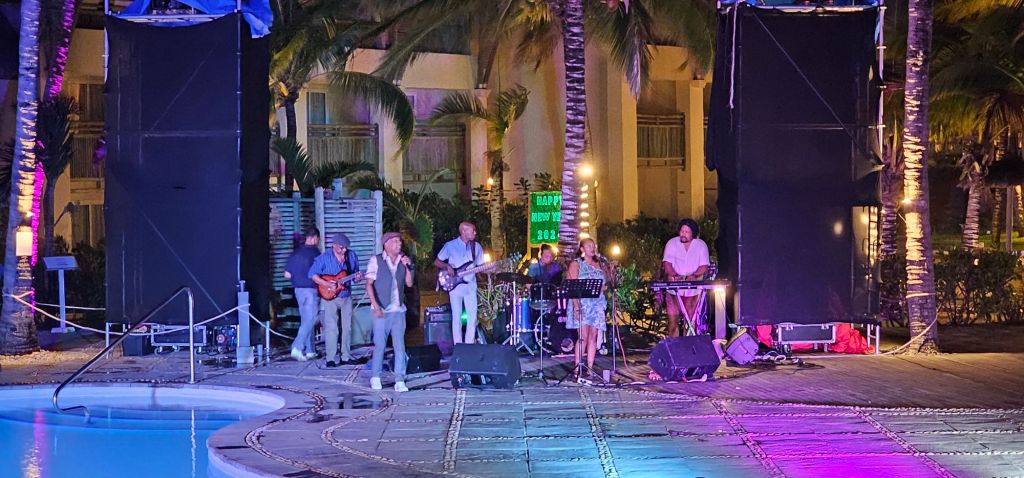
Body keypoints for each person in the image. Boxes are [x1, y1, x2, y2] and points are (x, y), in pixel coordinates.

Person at [366, 232, 414, 393]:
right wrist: (376, 306)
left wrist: (408, 267)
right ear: (386, 244)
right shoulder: (376, 260)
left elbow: (409, 284)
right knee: (379, 345)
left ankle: (399, 379)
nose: (399, 244)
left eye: (399, 242)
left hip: (398, 310)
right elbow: (368, 284)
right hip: (381, 309)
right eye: (395, 241)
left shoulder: (403, 260)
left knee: (399, 346)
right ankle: (375, 376)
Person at [309, 232, 363, 367]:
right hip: (329, 298)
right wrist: (326, 284)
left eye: (346, 248)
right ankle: (331, 359)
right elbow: (312, 275)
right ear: (334, 245)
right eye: (341, 248)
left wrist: (358, 278)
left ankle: (345, 356)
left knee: (347, 328)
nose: (344, 250)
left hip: (346, 296)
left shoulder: (352, 256)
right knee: (332, 328)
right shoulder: (324, 258)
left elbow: (355, 275)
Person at [434, 222, 485, 344]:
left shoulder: (476, 247)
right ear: (463, 231)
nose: (475, 233)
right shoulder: (450, 246)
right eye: (472, 230)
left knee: (472, 318)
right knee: (456, 317)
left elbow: (481, 266)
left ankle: (469, 345)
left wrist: (492, 268)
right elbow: (437, 262)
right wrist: (447, 266)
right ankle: (458, 344)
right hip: (455, 286)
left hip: (470, 285)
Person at [565, 238, 607, 379]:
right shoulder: (576, 264)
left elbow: (606, 284)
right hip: (582, 304)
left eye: (593, 245)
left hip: (596, 304)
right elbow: (571, 287)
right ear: (582, 249)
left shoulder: (600, 264)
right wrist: (576, 308)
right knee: (582, 336)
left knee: (593, 336)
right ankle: (577, 368)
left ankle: (590, 368)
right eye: (589, 246)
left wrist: (604, 286)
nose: (592, 248)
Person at [661, 218, 710, 337]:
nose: (683, 234)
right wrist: (674, 275)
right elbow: (667, 263)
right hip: (674, 289)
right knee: (672, 322)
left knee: (690, 321)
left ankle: (688, 345)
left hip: (693, 290)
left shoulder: (701, 245)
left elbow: (704, 266)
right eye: (682, 231)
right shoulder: (672, 243)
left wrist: (694, 276)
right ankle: (674, 345)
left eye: (687, 232)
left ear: (693, 233)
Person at [285, 227, 321, 361]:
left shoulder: (296, 253)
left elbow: (287, 274)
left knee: (306, 320)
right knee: (311, 319)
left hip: (298, 291)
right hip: (310, 290)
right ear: (314, 238)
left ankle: (310, 350)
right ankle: (297, 347)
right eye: (318, 239)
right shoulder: (315, 253)